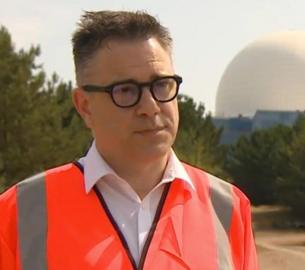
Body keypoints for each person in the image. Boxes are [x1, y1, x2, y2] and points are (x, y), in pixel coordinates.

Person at [0, 10, 258, 270]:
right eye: (125, 90)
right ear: (84, 106)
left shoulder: (227, 207)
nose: (150, 106)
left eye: (161, 85)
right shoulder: (19, 213)